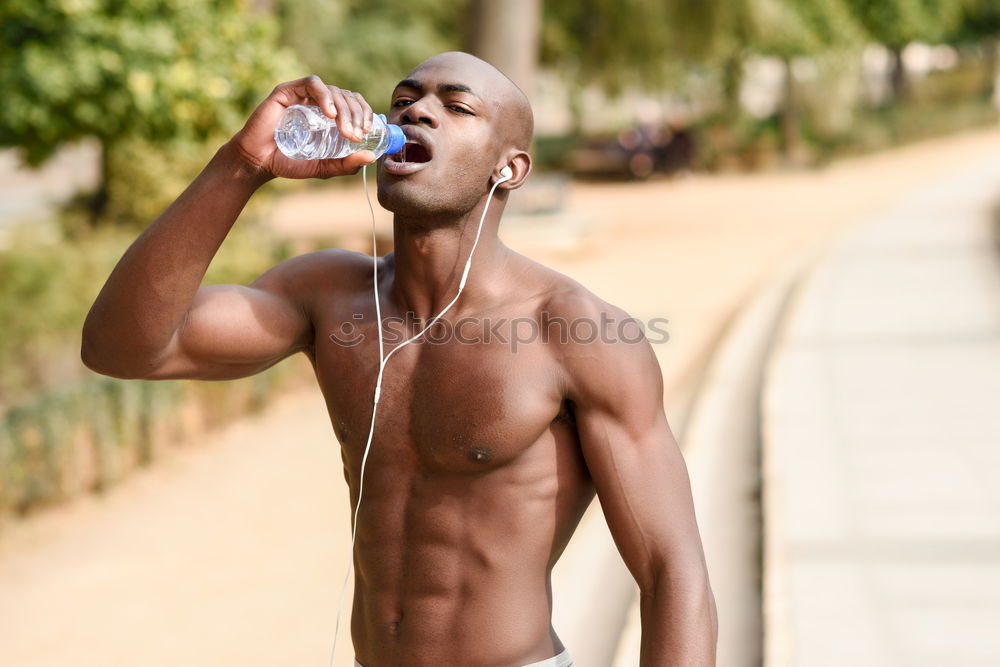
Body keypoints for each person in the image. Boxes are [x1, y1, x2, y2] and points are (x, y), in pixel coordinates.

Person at [82, 51, 717, 666]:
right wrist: (243, 164)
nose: (418, 113)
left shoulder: (576, 330)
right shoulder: (326, 295)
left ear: (511, 168)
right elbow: (122, 348)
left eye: (457, 106)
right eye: (404, 101)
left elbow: (673, 573)